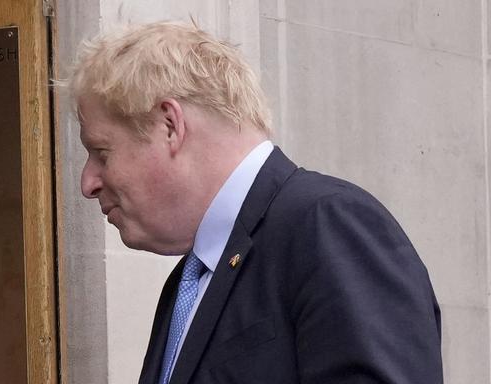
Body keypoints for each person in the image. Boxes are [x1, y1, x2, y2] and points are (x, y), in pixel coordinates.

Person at [68, 22, 442, 383]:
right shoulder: (188, 282)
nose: (88, 183)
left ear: (170, 125)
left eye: (101, 152)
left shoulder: (329, 224)